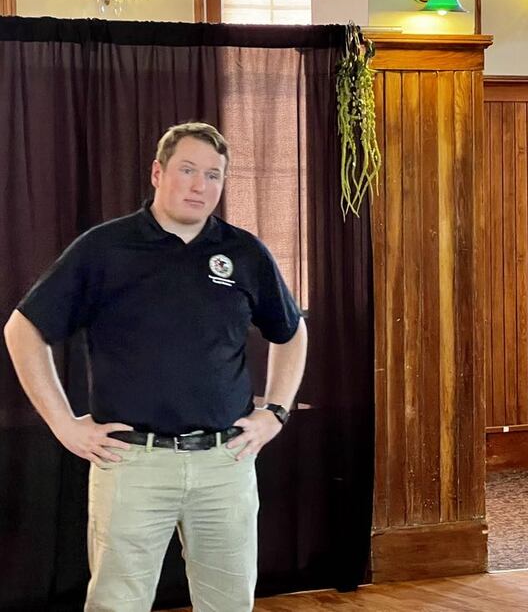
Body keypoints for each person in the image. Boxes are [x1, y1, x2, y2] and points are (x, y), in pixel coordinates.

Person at [3, 121, 308, 612]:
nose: (199, 185)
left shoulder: (244, 253)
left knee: (230, 603)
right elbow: (23, 330)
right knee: (117, 604)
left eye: (213, 175)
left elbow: (292, 332)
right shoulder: (104, 250)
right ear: (157, 172)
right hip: (131, 464)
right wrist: (62, 424)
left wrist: (274, 412)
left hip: (224, 461)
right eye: (187, 170)